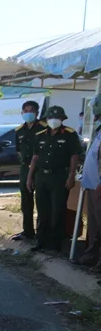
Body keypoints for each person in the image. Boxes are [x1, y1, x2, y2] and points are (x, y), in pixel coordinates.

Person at [26, 105, 81, 253]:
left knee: (58, 211)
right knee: (42, 211)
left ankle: (55, 245)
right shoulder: (41, 135)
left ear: (62, 119)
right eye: (51, 118)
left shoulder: (70, 134)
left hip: (59, 177)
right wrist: (30, 177)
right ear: (46, 119)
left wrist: (71, 175)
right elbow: (35, 157)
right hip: (41, 177)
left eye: (57, 118)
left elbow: (74, 156)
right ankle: (41, 241)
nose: (54, 120)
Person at [12, 100, 47, 242]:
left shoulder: (45, 128)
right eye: (25, 111)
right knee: (26, 201)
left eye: (31, 110)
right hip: (25, 168)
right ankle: (27, 232)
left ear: (37, 112)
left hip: (40, 170)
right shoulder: (19, 130)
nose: (28, 113)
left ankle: (42, 234)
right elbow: (19, 150)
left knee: (42, 202)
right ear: (22, 113)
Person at [77, 94, 101, 268]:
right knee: (93, 224)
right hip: (91, 185)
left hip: (99, 187)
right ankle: (92, 256)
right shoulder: (98, 131)